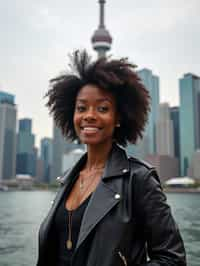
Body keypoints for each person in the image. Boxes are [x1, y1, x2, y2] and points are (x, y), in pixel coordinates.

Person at [37, 50, 186, 266]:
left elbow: (172, 259)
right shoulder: (66, 180)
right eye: (81, 108)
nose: (89, 114)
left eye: (102, 108)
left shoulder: (139, 179)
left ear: (118, 118)